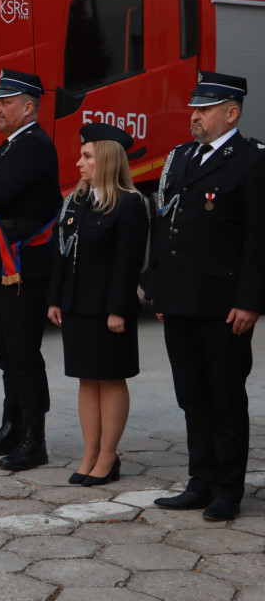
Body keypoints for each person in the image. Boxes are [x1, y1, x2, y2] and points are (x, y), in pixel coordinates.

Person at [149, 72, 265, 521]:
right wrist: (157, 289)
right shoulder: (181, 157)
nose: (193, 116)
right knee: (191, 394)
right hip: (179, 299)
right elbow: (166, 227)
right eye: (194, 108)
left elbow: (258, 238)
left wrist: (251, 300)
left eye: (204, 109)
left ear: (231, 113)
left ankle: (227, 491)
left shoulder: (251, 160)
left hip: (223, 304)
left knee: (225, 396)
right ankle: (200, 481)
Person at [0, 69, 62, 471]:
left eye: (5, 102)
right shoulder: (9, 146)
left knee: (23, 353)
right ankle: (12, 425)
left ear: (28, 107)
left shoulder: (34, 145)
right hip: (1, 265)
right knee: (6, 351)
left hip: (23, 267)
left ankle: (33, 439)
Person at [47, 123, 148, 486]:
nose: (79, 163)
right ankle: (90, 452)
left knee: (110, 378)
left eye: (87, 156)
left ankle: (108, 457)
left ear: (105, 159)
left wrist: (118, 309)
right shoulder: (77, 201)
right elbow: (60, 253)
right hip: (77, 306)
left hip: (108, 309)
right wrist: (55, 299)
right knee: (86, 380)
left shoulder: (129, 203)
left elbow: (127, 262)